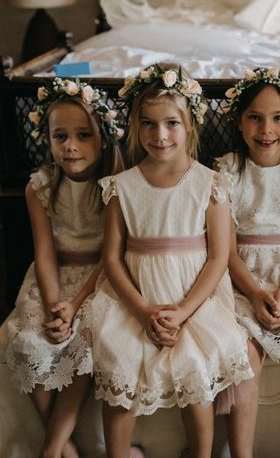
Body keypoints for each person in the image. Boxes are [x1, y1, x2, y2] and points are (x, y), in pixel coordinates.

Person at [91, 63, 253, 458]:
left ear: (189, 126)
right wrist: (145, 310)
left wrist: (180, 313)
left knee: (194, 367)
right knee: (121, 359)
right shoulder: (120, 187)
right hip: (137, 298)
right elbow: (111, 259)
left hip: (193, 299)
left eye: (171, 124)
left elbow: (217, 259)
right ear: (135, 126)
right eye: (148, 124)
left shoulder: (210, 184)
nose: (159, 135)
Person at [4, 78, 124, 458]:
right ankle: (65, 447)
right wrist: (56, 303)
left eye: (82, 135)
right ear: (48, 139)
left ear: (102, 138)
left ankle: (51, 449)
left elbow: (111, 256)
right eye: (60, 136)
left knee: (86, 344)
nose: (70, 146)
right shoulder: (39, 187)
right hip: (54, 280)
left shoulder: (114, 187)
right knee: (27, 342)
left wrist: (74, 308)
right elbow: (44, 253)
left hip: (99, 280)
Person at [215, 67, 280, 457]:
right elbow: (224, 253)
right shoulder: (225, 171)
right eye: (255, 118)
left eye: (278, 118)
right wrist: (258, 292)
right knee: (243, 354)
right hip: (242, 279)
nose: (267, 129)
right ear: (240, 123)